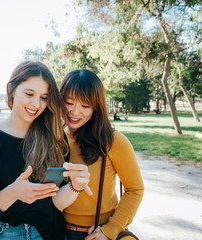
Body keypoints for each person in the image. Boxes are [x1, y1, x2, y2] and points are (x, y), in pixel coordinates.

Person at [0, 61, 92, 240]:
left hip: (49, 233)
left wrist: (75, 186)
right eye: (29, 94)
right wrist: (13, 192)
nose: (36, 104)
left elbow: (56, 201)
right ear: (11, 89)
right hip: (4, 234)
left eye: (44, 97)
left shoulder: (55, 137)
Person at [60, 69, 144, 240]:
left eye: (85, 106)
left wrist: (110, 230)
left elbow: (135, 189)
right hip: (58, 231)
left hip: (97, 233)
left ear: (96, 107)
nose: (75, 112)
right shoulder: (54, 137)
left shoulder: (112, 140)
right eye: (69, 103)